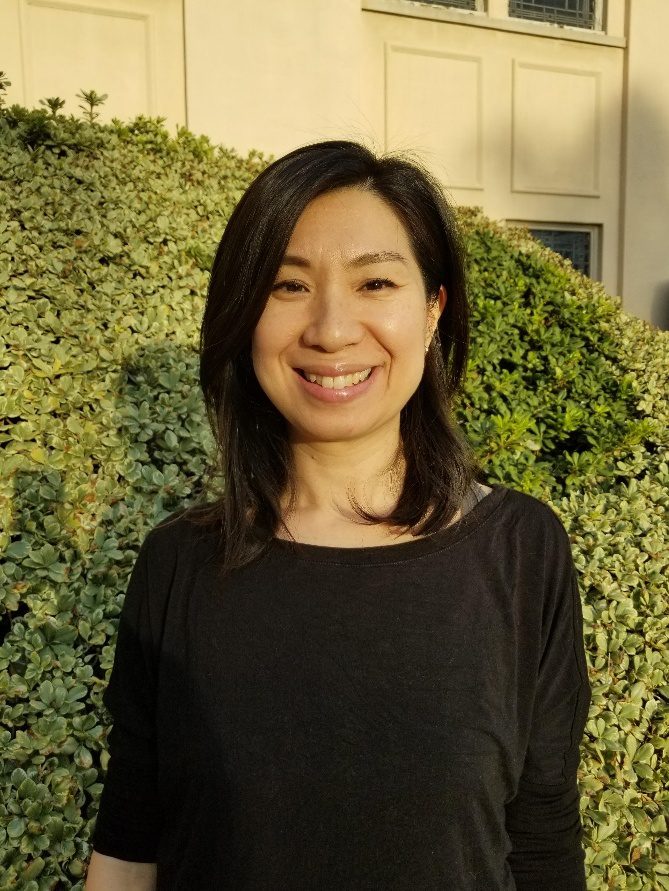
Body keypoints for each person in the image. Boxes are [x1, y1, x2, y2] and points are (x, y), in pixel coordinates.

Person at [85, 140, 592, 890]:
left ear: (431, 310)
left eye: (374, 282)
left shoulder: (520, 551)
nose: (329, 328)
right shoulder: (179, 564)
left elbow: (542, 841)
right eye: (287, 286)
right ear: (243, 314)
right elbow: (131, 844)